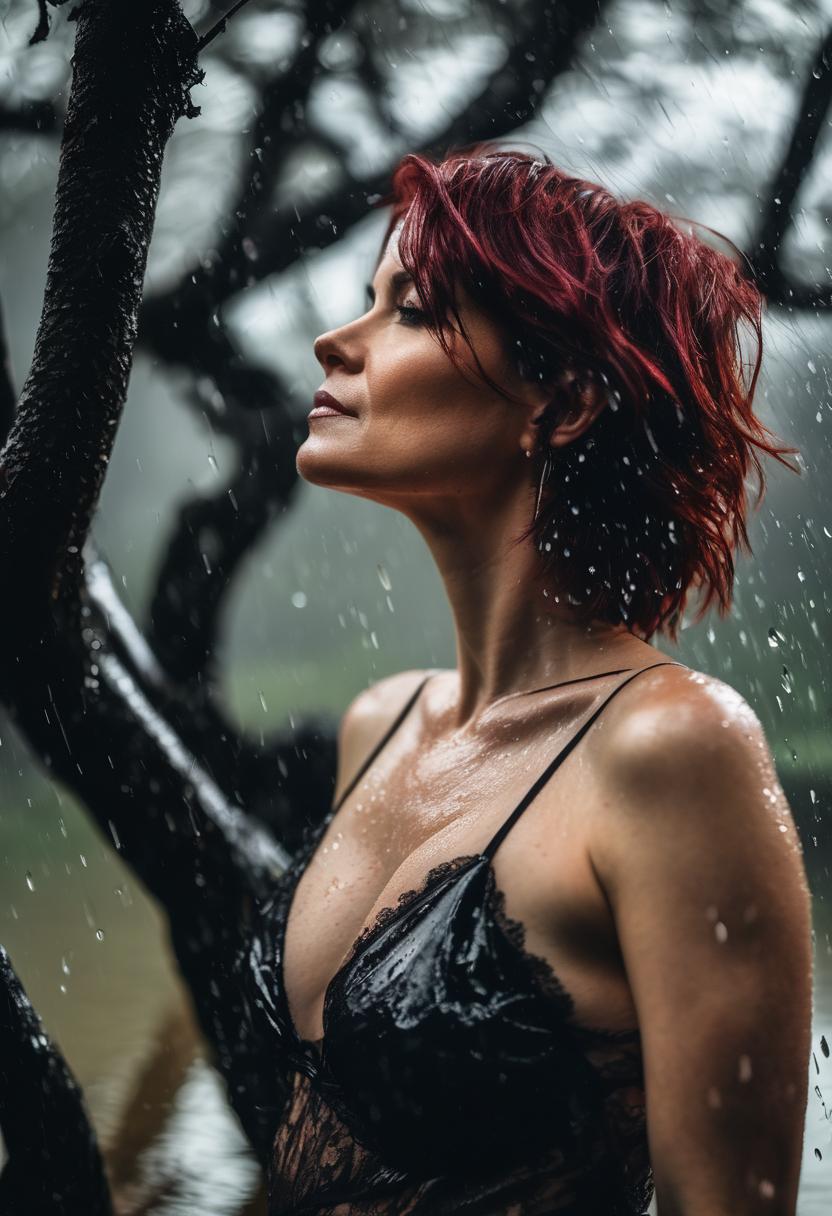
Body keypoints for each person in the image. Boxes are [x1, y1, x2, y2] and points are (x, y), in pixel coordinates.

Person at [253, 146, 813, 1215]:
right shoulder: (382, 721)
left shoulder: (671, 752)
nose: (337, 339)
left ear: (561, 396)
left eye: (409, 310)